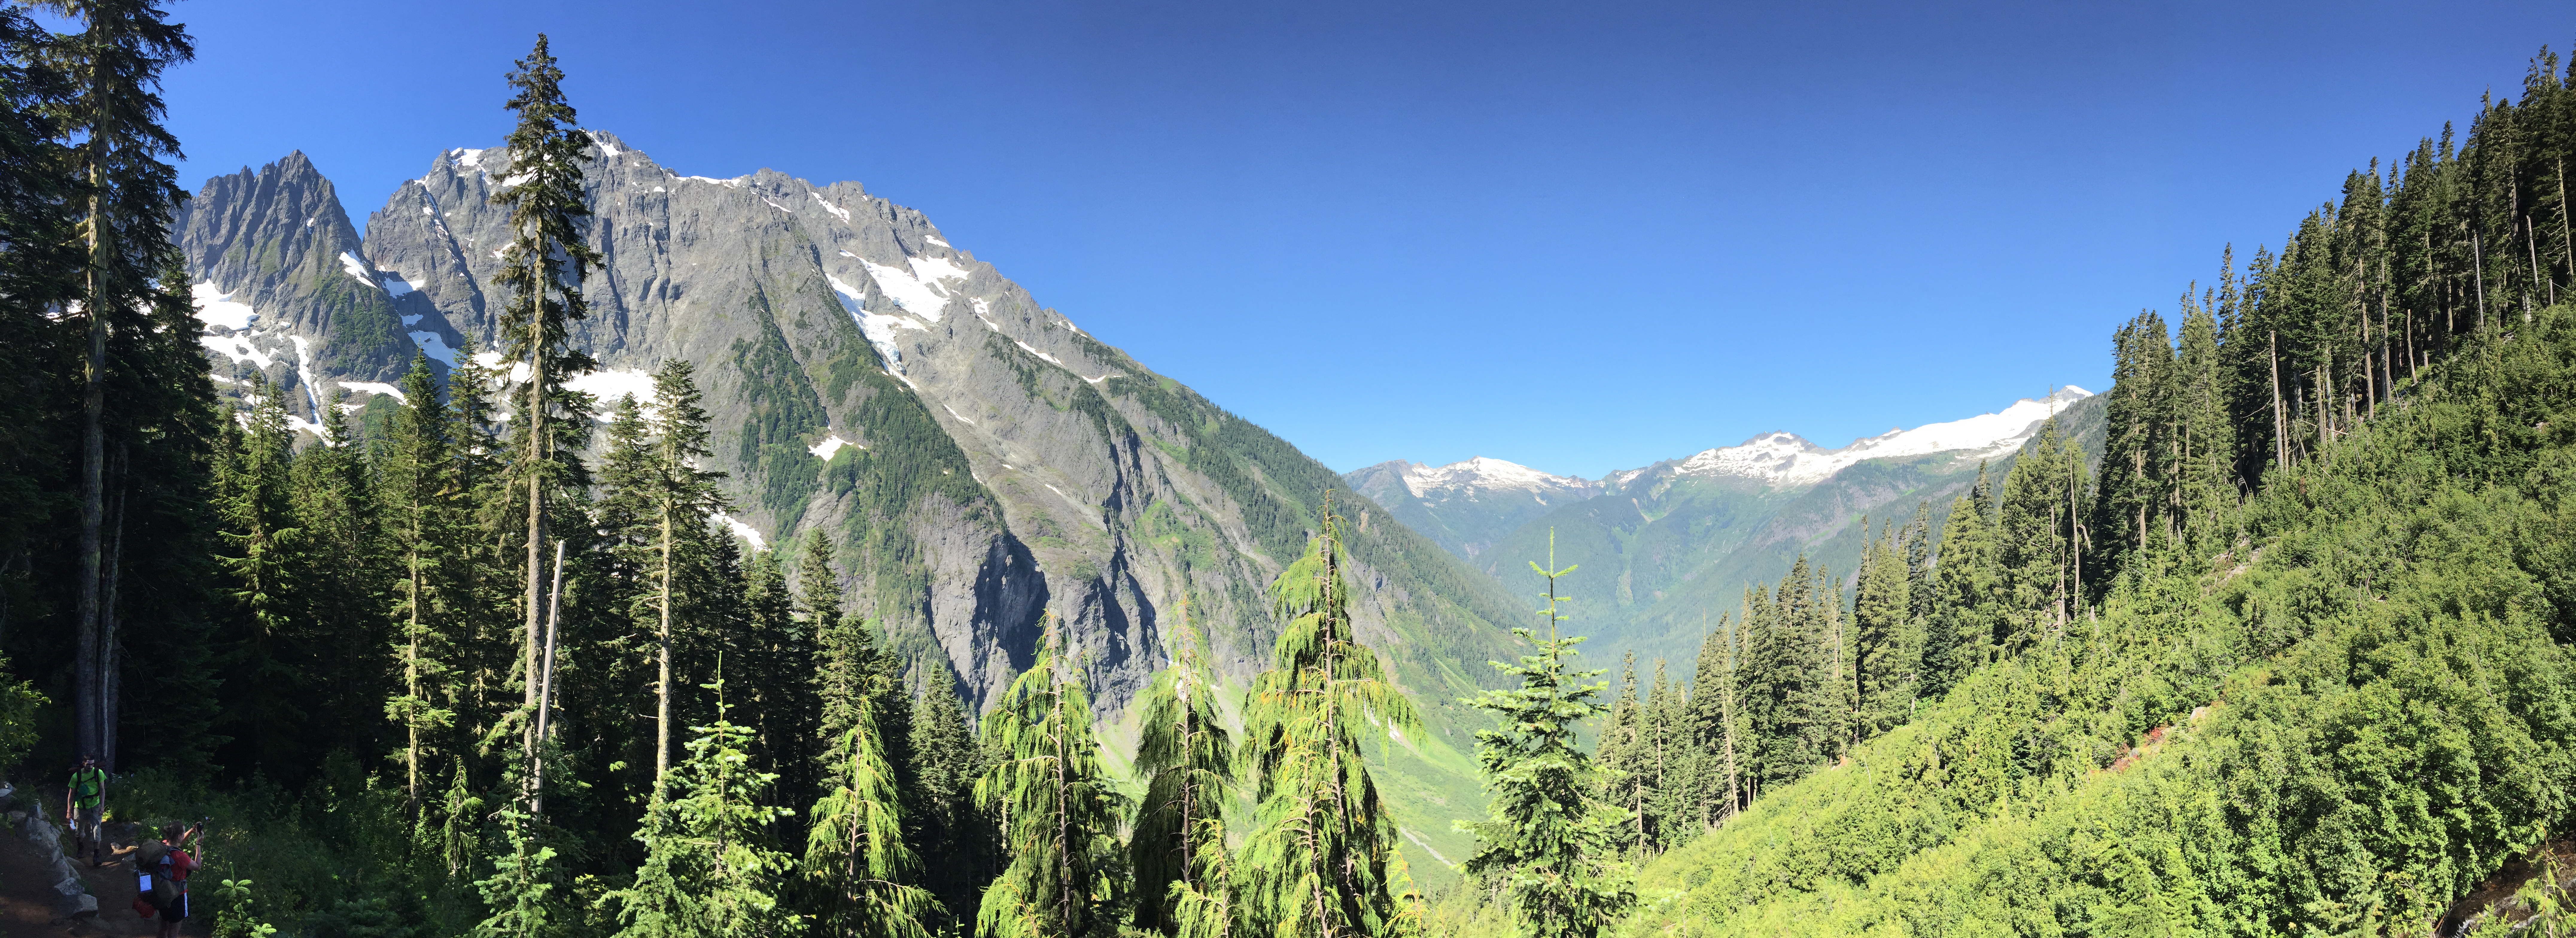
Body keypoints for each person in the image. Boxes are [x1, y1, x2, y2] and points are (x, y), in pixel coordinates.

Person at [144, 821, 201, 937]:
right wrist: (198, 844)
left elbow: (177, 844)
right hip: (178, 895)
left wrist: (191, 831)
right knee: (174, 931)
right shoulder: (181, 857)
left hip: (163, 893)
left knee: (163, 926)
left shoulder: (164, 846)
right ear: (179, 836)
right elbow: (198, 866)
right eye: (184, 832)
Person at [63, 755, 106, 866]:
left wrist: (102, 806)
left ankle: (96, 855)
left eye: (93, 764)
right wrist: (69, 811)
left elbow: (102, 790)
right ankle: (81, 849)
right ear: (83, 764)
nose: (91, 766)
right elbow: (71, 794)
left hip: (95, 806)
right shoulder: (77, 776)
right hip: (81, 807)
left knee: (97, 830)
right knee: (79, 832)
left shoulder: (99, 773)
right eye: (88, 764)